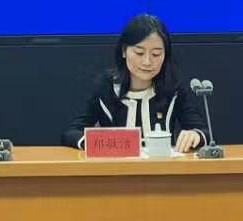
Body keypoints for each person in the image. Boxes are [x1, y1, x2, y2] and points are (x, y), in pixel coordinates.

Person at [62, 14, 209, 153]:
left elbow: (204, 132)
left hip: (161, 167)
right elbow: (71, 133)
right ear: (124, 51)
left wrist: (195, 135)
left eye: (156, 54)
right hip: (115, 168)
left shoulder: (173, 88)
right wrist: (95, 143)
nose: (147, 62)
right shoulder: (105, 86)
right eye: (139, 53)